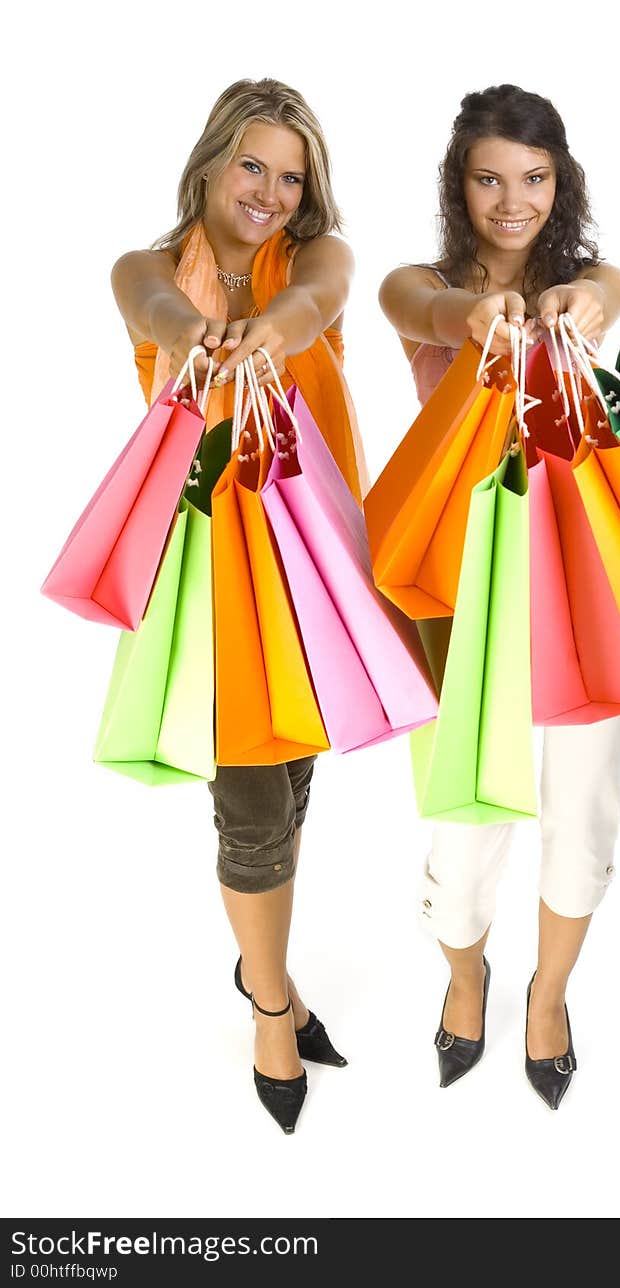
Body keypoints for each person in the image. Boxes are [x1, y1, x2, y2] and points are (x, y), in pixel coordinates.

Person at [112, 78, 368, 1135]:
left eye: (291, 174)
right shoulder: (144, 268)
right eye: (254, 165)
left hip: (318, 568)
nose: (270, 190)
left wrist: (269, 327)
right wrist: (193, 334)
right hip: (220, 579)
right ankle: (271, 1002)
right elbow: (156, 309)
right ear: (213, 161)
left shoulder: (315, 260)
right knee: (254, 810)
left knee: (294, 786)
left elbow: (315, 301)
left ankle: (264, 965)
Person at [379, 84, 620, 1110]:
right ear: (460, 185)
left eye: (532, 178)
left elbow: (609, 288)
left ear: (558, 182)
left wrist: (587, 303)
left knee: (583, 811)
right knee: (461, 818)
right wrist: (473, 315)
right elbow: (425, 310)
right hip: (458, 587)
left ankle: (550, 994)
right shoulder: (420, 285)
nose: (511, 199)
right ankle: (465, 973)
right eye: (489, 178)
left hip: (579, 581)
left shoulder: (587, 282)